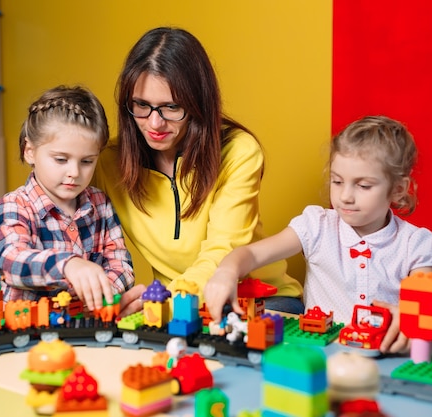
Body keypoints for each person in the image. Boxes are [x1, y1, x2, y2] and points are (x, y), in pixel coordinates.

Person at [93, 27, 303, 315]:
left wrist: (161, 303)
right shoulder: (105, 161)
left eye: (171, 107)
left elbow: (221, 252)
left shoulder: (238, 151)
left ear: (197, 104)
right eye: (142, 105)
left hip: (257, 301)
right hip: (174, 306)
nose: (154, 123)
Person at [206, 115, 432, 353]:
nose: (345, 196)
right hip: (318, 354)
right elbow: (252, 255)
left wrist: (410, 316)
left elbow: (430, 306)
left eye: (363, 186)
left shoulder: (414, 243)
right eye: (337, 181)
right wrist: (227, 270)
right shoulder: (317, 226)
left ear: (398, 189)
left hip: (387, 356)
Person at [0, 85, 145, 314]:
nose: (74, 172)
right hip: (29, 331)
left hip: (88, 325)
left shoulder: (100, 204)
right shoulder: (15, 206)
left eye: (86, 161)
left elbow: (121, 265)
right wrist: (68, 265)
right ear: (29, 151)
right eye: (61, 159)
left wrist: (103, 296)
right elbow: (11, 261)